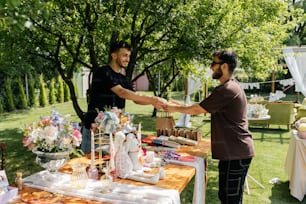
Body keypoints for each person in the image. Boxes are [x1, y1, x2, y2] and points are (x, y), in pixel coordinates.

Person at [164, 50, 254, 204]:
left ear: (224, 66)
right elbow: (202, 107)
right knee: (229, 198)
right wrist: (181, 106)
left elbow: (197, 110)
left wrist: (173, 108)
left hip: (235, 153)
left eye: (214, 63)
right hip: (235, 152)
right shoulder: (231, 86)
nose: (211, 67)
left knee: (230, 200)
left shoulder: (227, 90)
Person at [81, 40, 166, 153]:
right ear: (114, 55)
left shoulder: (123, 79)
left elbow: (135, 98)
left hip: (113, 131)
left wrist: (156, 103)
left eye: (129, 56)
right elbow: (121, 92)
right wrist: (152, 99)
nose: (128, 59)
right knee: (92, 166)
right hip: (96, 130)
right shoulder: (103, 72)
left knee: (112, 167)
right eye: (124, 55)